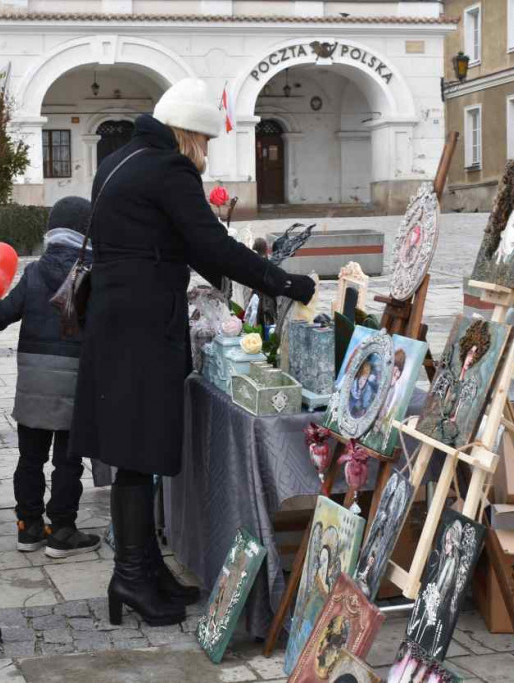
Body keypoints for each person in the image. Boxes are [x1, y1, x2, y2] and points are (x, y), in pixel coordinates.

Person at [70, 78, 316, 627]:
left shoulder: (120, 159)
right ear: (190, 134)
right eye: (204, 141)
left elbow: (174, 240)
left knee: (133, 453)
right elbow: (209, 242)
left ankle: (144, 567)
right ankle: (132, 576)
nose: (203, 153)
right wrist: (284, 283)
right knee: (137, 454)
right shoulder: (168, 167)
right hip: (141, 329)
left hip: (117, 321)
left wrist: (233, 279)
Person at [0, 197, 101, 558]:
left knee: (30, 459)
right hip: (75, 382)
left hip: (33, 383)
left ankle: (28, 528)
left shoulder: (36, 273)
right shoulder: (95, 274)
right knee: (67, 462)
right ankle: (62, 531)